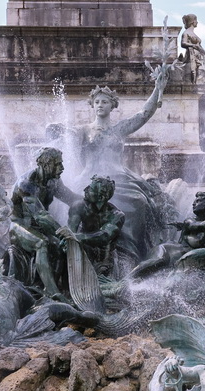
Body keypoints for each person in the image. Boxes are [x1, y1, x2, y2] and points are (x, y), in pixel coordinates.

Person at [58, 66, 170, 264]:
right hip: (89, 178)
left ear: (112, 106)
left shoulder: (119, 129)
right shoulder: (82, 130)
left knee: (140, 202)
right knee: (71, 203)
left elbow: (144, 114)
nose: (100, 105)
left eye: (105, 102)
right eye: (97, 102)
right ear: (92, 105)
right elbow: (64, 140)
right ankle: (74, 253)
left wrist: (157, 88)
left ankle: (134, 254)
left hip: (120, 178)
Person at [8, 147, 80, 299]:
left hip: (38, 227)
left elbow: (71, 198)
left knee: (59, 246)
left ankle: (54, 289)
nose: (62, 168)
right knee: (41, 243)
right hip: (18, 226)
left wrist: (89, 202)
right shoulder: (27, 183)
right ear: (46, 164)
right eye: (58, 164)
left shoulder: (53, 181)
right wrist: (63, 232)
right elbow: (41, 216)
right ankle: (54, 293)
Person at [130, 192, 205, 278]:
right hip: (168, 251)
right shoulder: (190, 221)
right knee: (155, 262)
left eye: (199, 201)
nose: (194, 203)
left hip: (186, 261)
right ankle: (127, 281)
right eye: (194, 202)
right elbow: (200, 226)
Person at [59, 176, 126, 277]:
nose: (85, 189)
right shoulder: (78, 207)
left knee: (105, 278)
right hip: (83, 251)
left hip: (105, 259)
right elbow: (70, 231)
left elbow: (104, 236)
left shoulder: (116, 215)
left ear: (101, 197)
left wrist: (76, 236)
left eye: (91, 189)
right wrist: (67, 241)